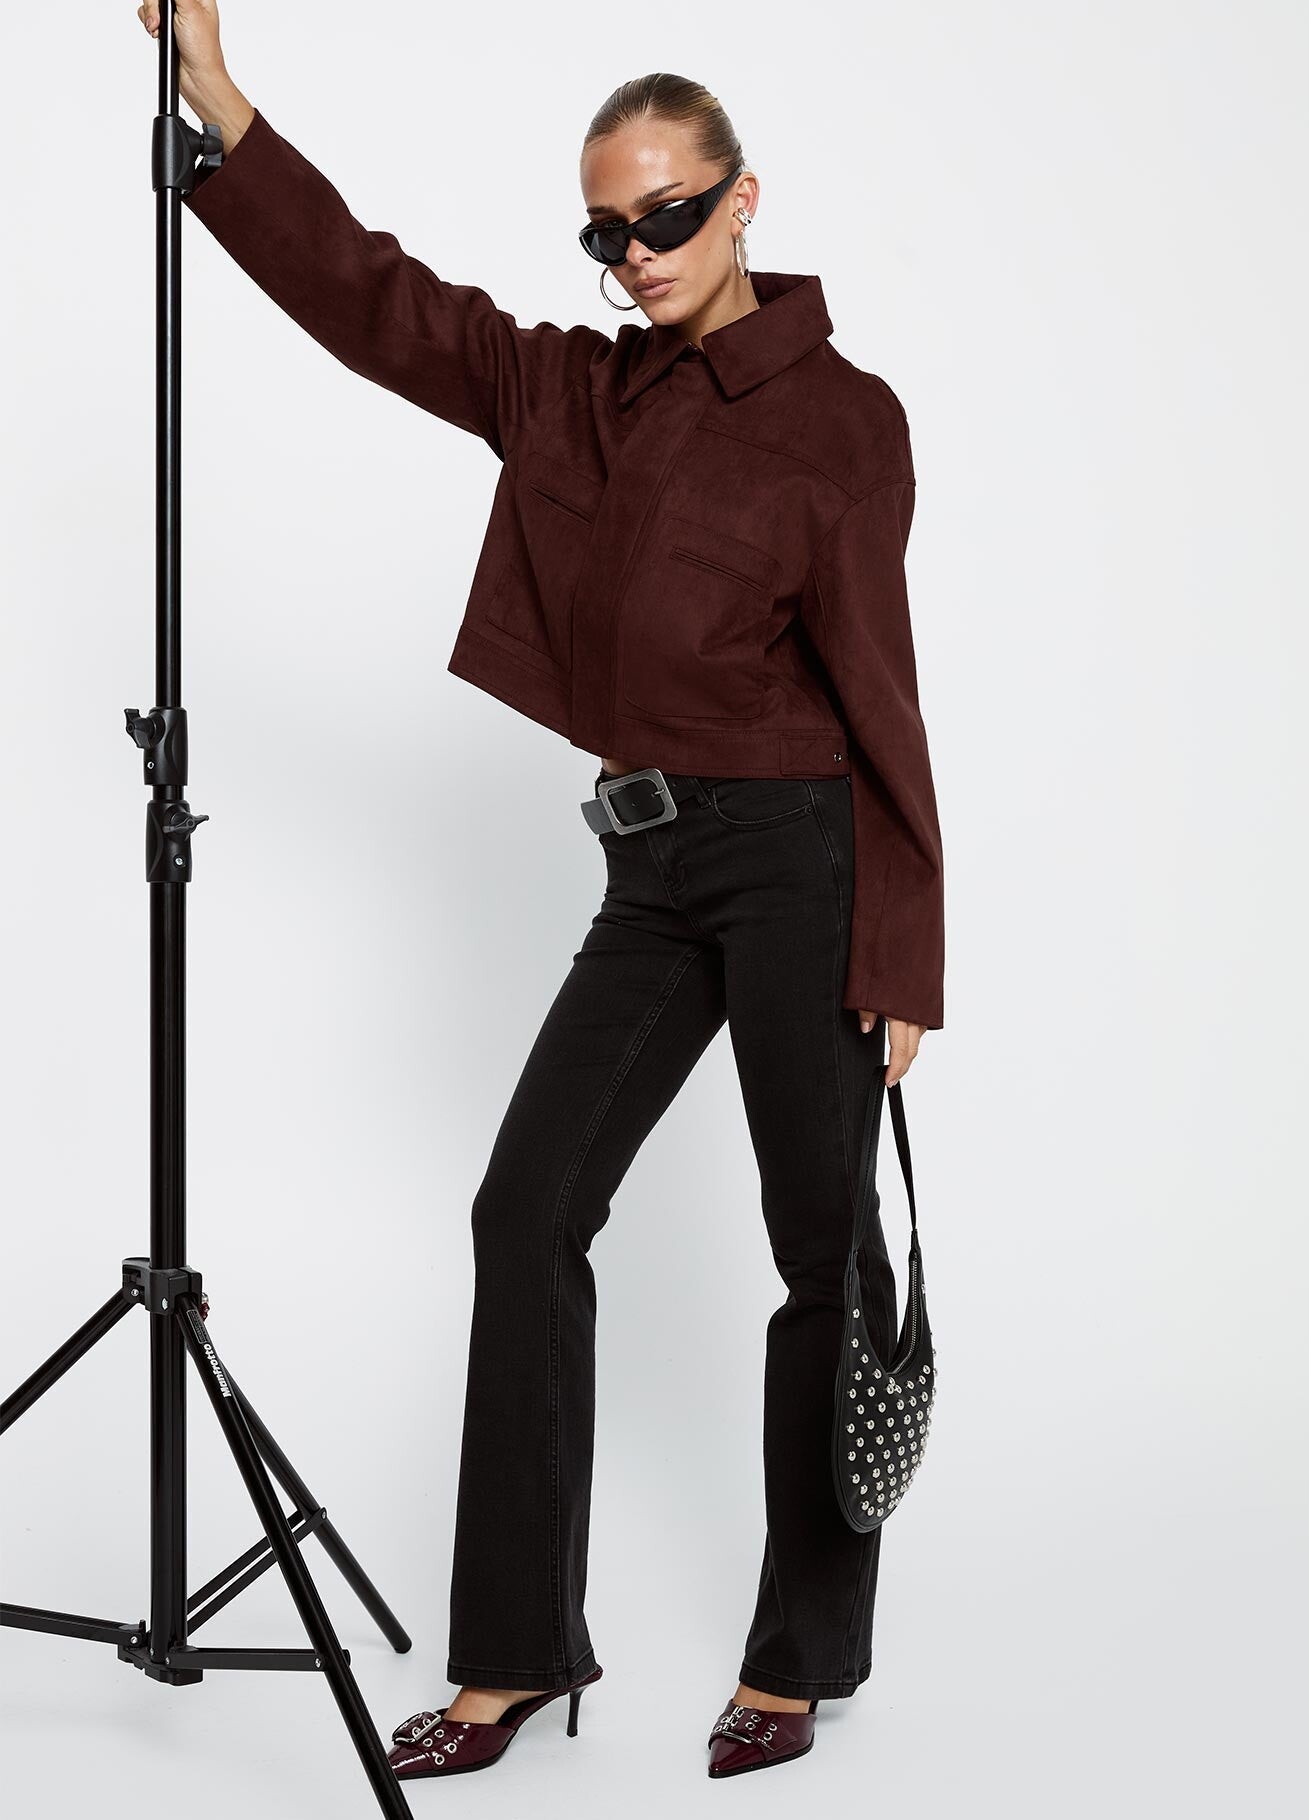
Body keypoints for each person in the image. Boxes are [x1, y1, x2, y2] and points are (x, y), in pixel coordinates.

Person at [138, 0, 945, 1782]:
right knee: (526, 1215)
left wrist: (902, 950)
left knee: (823, 1254)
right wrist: (224, 108)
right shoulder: (577, 393)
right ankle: (511, 1656)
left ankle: (801, 1658)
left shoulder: (843, 423)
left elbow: (883, 698)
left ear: (743, 200)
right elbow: (386, 307)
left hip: (801, 861)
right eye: (606, 230)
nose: (636, 253)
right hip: (648, 870)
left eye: (668, 215)